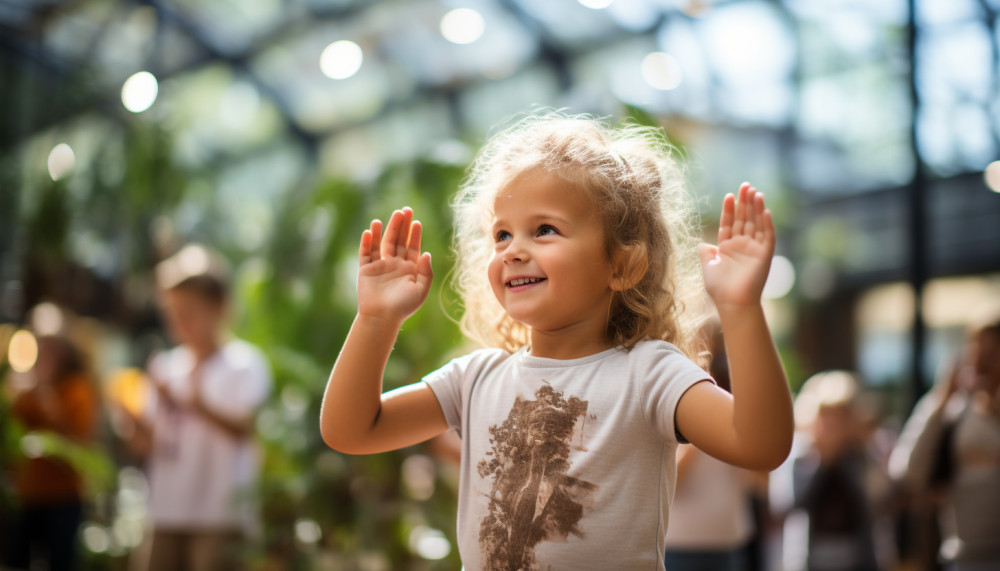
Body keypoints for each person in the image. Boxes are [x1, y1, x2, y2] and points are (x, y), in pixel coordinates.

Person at [320, 112, 794, 570]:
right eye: (501, 234)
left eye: (544, 230)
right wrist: (376, 319)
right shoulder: (476, 378)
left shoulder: (649, 374)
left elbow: (760, 446)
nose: (513, 250)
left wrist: (740, 308)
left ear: (622, 265)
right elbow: (351, 430)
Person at [121, 244, 271, 571]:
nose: (179, 322)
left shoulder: (244, 364)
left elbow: (247, 429)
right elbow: (146, 444)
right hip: (166, 509)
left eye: (188, 311)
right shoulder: (165, 367)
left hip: (219, 514)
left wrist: (198, 405)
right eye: (172, 313)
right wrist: (130, 419)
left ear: (219, 306)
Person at [892, 313, 1000, 571]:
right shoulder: (952, 411)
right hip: (961, 557)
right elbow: (907, 472)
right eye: (977, 352)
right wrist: (942, 399)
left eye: (992, 353)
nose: (982, 363)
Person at [770, 370, 893, 571]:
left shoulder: (862, 458)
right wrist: (822, 463)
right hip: (808, 562)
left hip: (858, 561)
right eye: (826, 417)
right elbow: (786, 506)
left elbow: (877, 501)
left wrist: (852, 458)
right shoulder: (799, 458)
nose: (832, 426)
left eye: (839, 417)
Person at [3, 332, 99, 571]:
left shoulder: (77, 389)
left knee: (60, 561)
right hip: (30, 493)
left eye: (50, 353)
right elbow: (13, 431)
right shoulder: (27, 390)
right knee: (17, 558)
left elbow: (79, 441)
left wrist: (49, 400)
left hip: (65, 494)